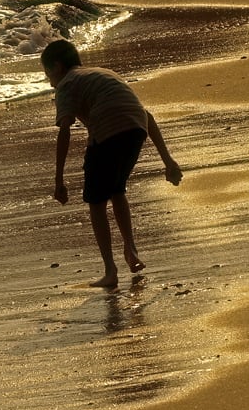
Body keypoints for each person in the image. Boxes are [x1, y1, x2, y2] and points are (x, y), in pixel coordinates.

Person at [40, 39, 183, 288]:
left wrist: (59, 180)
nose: (48, 79)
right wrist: (167, 161)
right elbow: (146, 115)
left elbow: (65, 130)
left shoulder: (66, 84)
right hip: (135, 129)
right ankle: (131, 248)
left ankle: (110, 271)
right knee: (116, 189)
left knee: (96, 202)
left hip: (108, 130)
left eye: (47, 72)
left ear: (58, 67)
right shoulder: (103, 74)